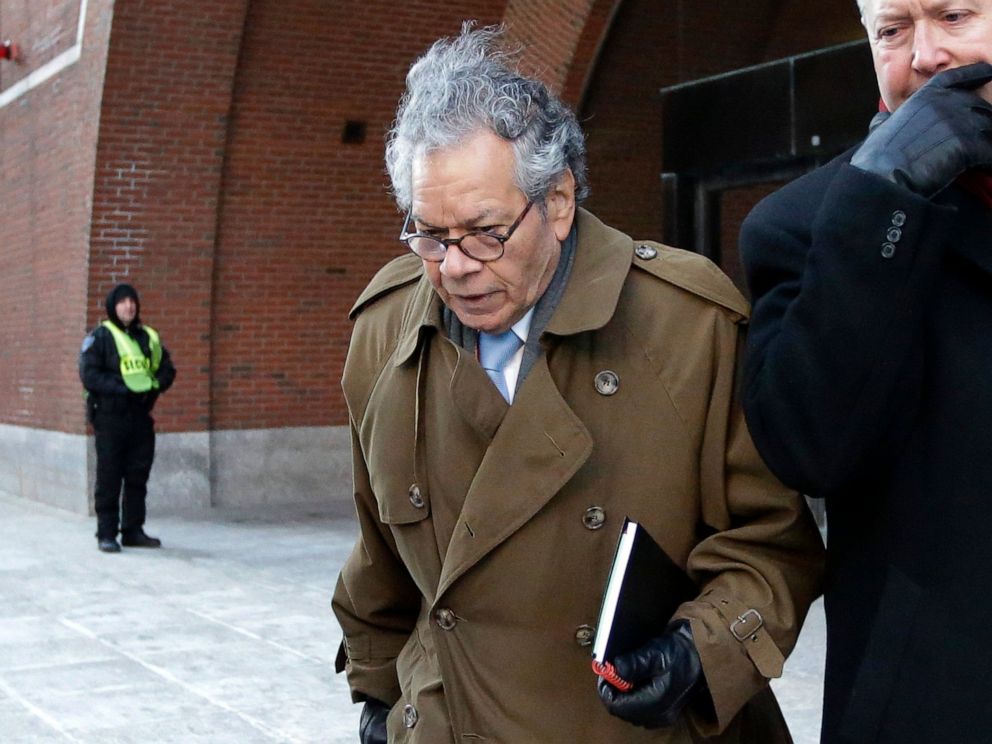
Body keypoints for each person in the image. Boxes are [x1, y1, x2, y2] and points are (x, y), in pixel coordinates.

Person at [332, 25, 824, 744]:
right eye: (429, 235)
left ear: (558, 202)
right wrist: (380, 701)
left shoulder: (686, 322)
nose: (455, 267)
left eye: (484, 231)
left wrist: (698, 651)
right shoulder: (385, 327)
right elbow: (379, 551)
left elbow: (773, 543)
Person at [739, 1, 992, 742]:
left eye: (953, 15)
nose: (925, 55)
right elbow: (807, 448)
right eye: (893, 30)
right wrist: (886, 197)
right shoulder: (805, 224)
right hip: (940, 700)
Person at [79, 283, 176, 553]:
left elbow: (167, 368)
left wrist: (156, 386)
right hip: (110, 416)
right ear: (113, 306)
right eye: (122, 302)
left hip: (140, 416)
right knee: (109, 476)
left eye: (132, 301)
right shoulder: (100, 337)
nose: (128, 306)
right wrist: (123, 388)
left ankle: (133, 530)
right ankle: (106, 533)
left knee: (137, 475)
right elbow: (90, 375)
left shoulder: (149, 337)